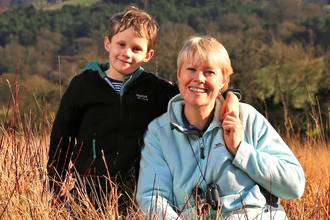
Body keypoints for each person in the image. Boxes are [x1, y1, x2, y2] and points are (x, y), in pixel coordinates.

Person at [47, 6, 241, 208]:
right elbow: (62, 138)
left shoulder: (154, 89)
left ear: (148, 55)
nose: (126, 53)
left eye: (136, 49)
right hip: (85, 195)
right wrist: (54, 189)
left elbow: (194, 91)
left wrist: (231, 97)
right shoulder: (83, 85)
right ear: (108, 43)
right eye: (120, 44)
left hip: (133, 198)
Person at [136, 36, 305, 219]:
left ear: (223, 81)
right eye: (191, 69)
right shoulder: (159, 132)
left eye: (209, 72)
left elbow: (294, 187)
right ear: (179, 75)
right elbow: (153, 197)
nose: (198, 79)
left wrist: (240, 150)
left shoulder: (246, 118)